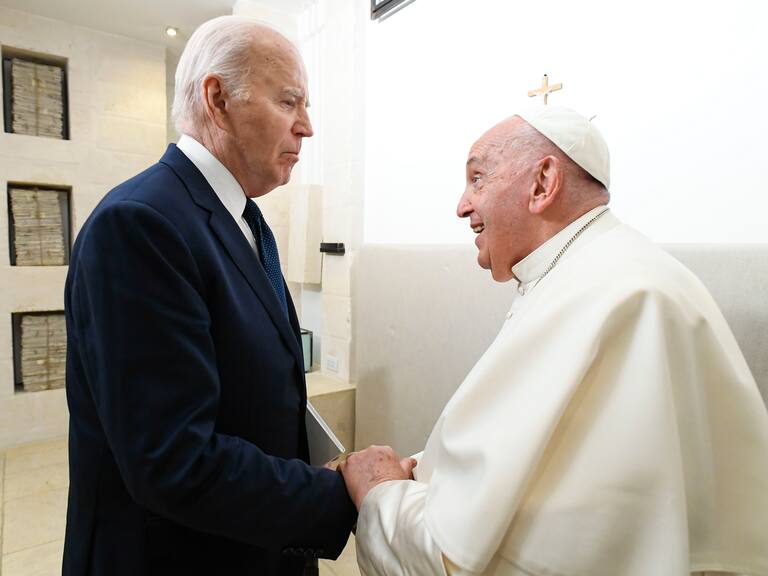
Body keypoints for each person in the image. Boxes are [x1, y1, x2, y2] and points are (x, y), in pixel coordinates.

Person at [339, 106, 768, 575]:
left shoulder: (610, 293)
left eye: (477, 179)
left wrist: (382, 493)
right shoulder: (597, 270)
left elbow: (467, 554)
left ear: (543, 183)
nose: (462, 205)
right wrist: (424, 470)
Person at [63, 16, 356, 576]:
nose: (307, 127)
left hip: (248, 543)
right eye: (289, 102)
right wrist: (338, 496)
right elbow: (173, 459)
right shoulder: (141, 224)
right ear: (218, 99)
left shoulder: (244, 219)